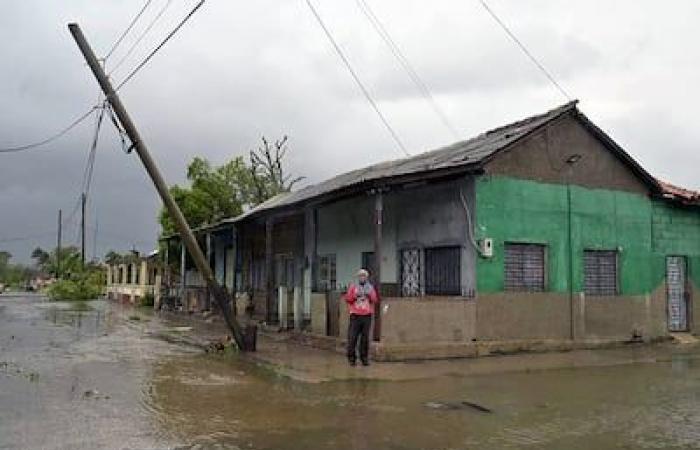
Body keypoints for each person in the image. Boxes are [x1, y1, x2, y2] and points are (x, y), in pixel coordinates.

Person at [344, 269, 378, 366]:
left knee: (365, 338)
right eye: (360, 276)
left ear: (366, 278)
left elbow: (375, 299)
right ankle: (351, 358)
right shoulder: (353, 287)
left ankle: (364, 358)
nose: (362, 277)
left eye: (364, 276)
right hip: (355, 315)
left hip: (366, 315)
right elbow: (348, 299)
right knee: (352, 338)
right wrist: (355, 296)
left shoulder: (370, 288)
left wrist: (369, 295)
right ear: (358, 277)